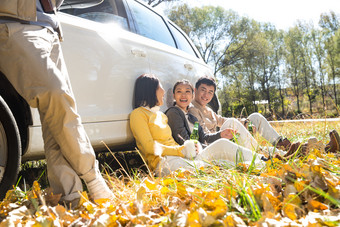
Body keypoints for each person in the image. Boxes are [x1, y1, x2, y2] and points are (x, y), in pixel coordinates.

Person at [0, 0, 114, 205]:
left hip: (50, 30)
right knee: (56, 94)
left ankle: (69, 198)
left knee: (55, 113)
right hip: (12, 24)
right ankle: (93, 178)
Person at [129, 74, 267, 177]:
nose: (163, 92)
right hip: (165, 163)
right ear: (150, 90)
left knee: (223, 145)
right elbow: (149, 147)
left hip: (184, 156)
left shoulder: (161, 115)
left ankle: (264, 162)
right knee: (215, 167)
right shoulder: (138, 114)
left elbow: (195, 138)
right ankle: (259, 167)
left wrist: (188, 149)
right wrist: (181, 150)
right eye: (160, 88)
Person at [189, 76, 291, 151]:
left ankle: (281, 144)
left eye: (210, 92)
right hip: (214, 146)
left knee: (255, 117)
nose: (206, 95)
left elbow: (222, 120)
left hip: (225, 140)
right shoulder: (193, 109)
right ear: (195, 90)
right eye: (203, 90)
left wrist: (245, 122)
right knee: (231, 122)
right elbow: (203, 137)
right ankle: (260, 151)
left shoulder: (208, 109)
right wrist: (224, 133)